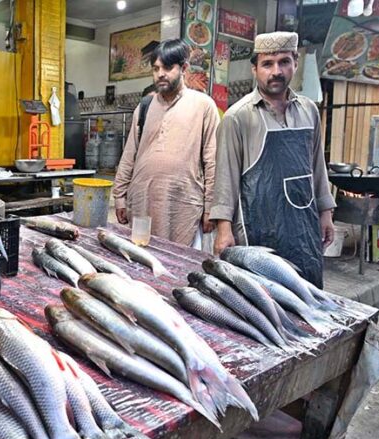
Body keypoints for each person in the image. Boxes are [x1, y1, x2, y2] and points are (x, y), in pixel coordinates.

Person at [210, 31, 335, 288]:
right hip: (258, 228)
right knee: (262, 304)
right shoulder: (238, 117)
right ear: (254, 69)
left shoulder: (309, 111)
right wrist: (223, 229)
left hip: (302, 227)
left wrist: (326, 212)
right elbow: (226, 178)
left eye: (284, 62)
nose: (276, 71)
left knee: (306, 296)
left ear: (295, 64)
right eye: (267, 64)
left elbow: (316, 167)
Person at [113, 39, 219, 246]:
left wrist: (210, 208)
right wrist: (119, 196)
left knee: (181, 264)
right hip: (143, 201)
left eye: (168, 67)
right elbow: (129, 155)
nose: (160, 74)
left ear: (184, 68)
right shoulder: (144, 107)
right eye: (156, 68)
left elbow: (212, 160)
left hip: (183, 205)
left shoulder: (203, 106)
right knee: (142, 262)